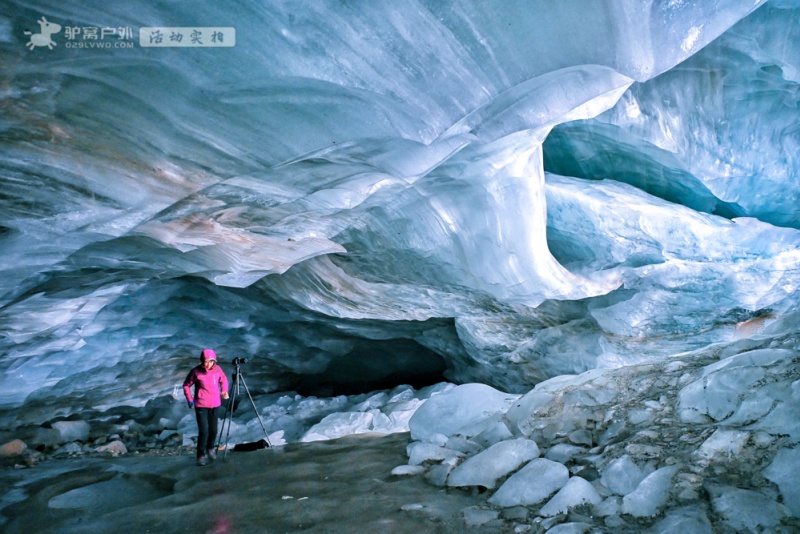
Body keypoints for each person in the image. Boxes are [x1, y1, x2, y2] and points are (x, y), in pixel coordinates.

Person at [183, 349, 230, 466]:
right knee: (204, 431)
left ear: (214, 361)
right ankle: (200, 455)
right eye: (205, 361)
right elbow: (186, 385)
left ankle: (210, 449)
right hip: (201, 405)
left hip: (215, 404)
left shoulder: (218, 370)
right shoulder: (196, 372)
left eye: (210, 361)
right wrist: (190, 400)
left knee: (214, 430)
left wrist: (224, 390)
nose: (207, 364)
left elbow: (223, 379)